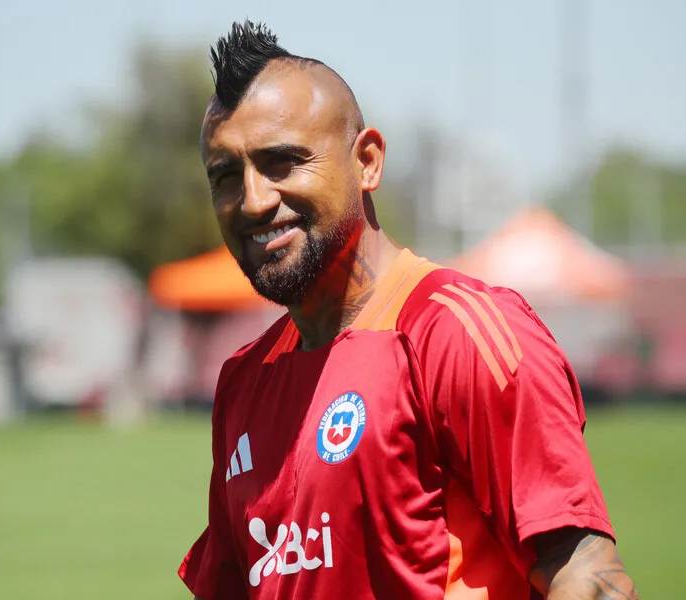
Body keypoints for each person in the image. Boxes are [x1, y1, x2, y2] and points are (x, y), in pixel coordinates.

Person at [179, 19, 638, 600]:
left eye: (282, 163)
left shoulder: (458, 332)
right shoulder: (244, 381)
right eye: (225, 175)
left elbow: (589, 578)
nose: (253, 199)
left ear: (367, 161)